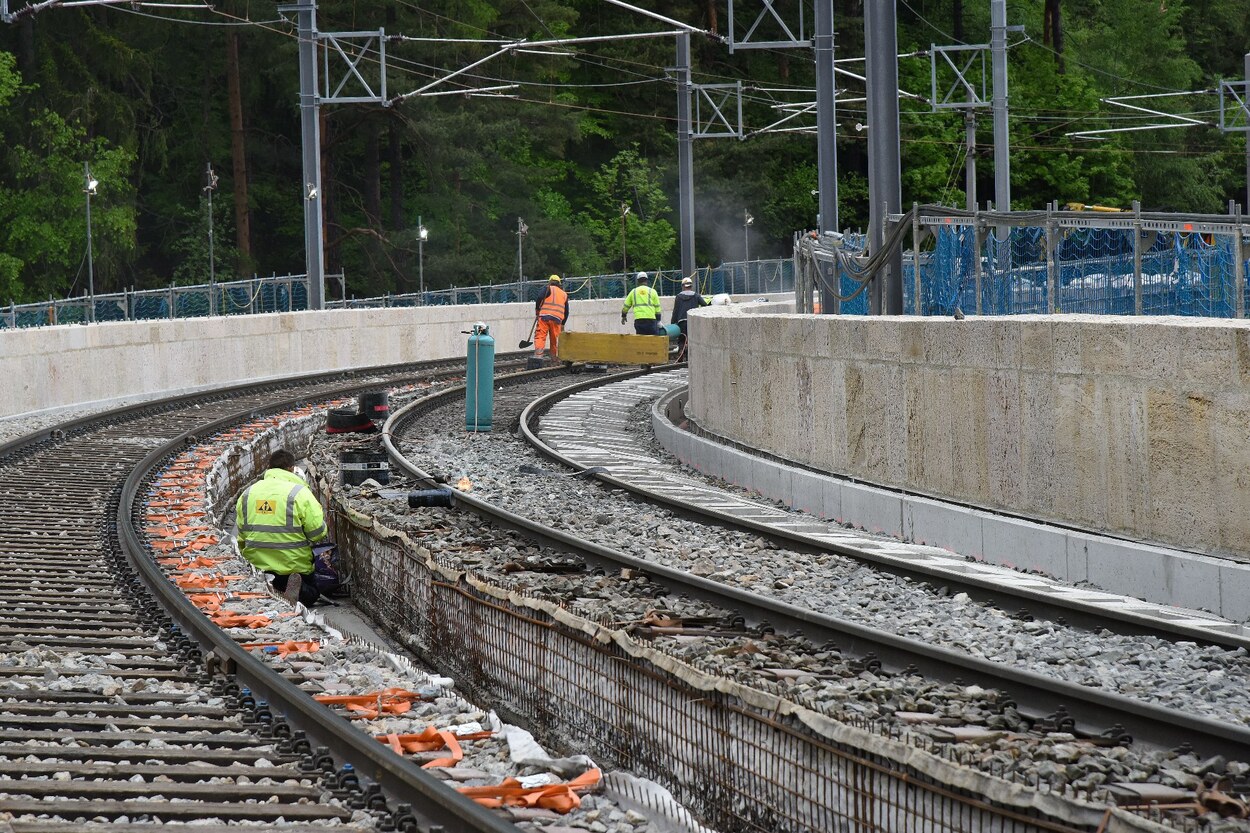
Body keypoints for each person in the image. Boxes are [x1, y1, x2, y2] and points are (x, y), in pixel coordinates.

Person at [235, 448, 328, 606]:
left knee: (267, 581)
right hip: (293, 566)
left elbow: (242, 536)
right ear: (291, 468)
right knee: (313, 593)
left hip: (258, 565)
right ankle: (299, 591)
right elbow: (317, 533)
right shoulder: (300, 493)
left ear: (269, 468)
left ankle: (270, 587)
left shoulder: (248, 493)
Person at [670, 276, 710, 361]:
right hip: (692, 321)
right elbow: (705, 305)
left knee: (682, 338)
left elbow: (675, 311)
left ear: (683, 286)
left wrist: (673, 322)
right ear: (691, 286)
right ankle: (689, 358)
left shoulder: (678, 297)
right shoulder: (696, 296)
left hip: (681, 322)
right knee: (691, 339)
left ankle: (681, 353)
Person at [532, 274, 569, 359]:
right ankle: (554, 359)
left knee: (540, 337)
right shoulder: (564, 294)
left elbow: (540, 297)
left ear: (550, 282)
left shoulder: (547, 288)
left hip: (544, 317)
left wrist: (537, 310)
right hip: (557, 319)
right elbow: (566, 311)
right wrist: (563, 323)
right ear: (559, 284)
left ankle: (538, 356)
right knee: (554, 340)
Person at [621, 271, 663, 335]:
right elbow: (657, 308)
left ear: (638, 281)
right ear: (646, 280)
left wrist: (623, 316)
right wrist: (659, 320)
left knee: (641, 340)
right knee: (653, 340)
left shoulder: (633, 292)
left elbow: (626, 307)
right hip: (651, 320)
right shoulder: (652, 291)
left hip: (639, 320)